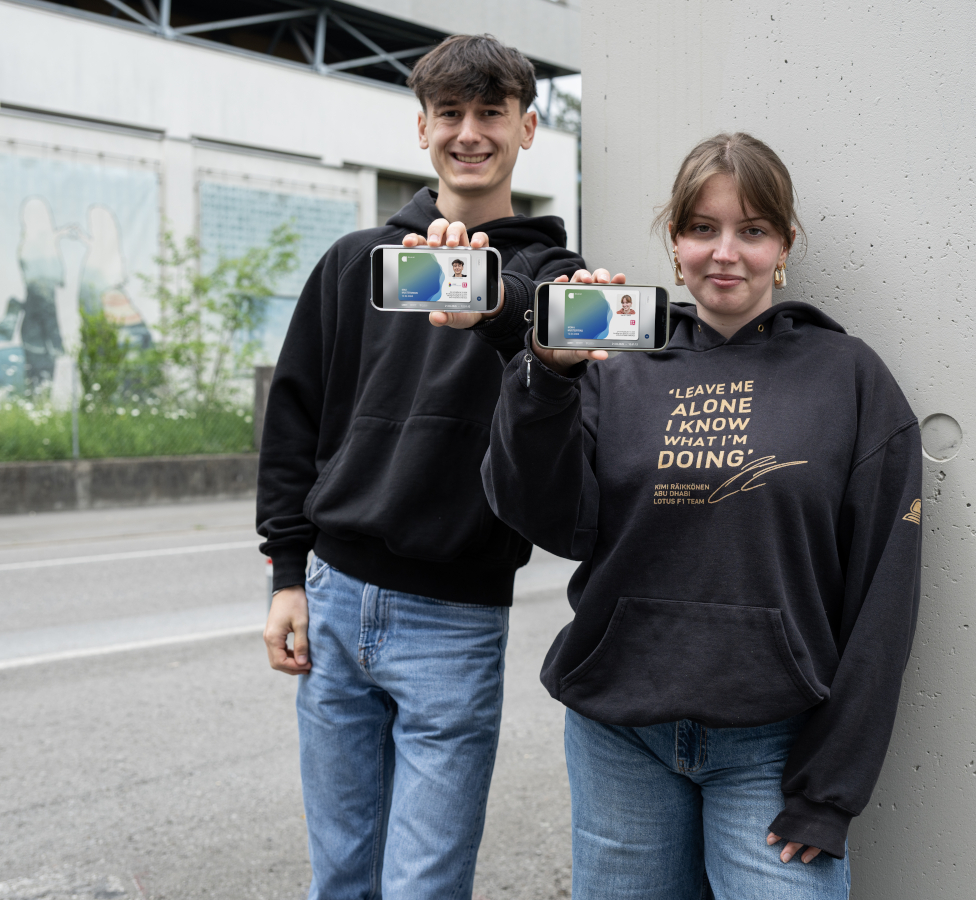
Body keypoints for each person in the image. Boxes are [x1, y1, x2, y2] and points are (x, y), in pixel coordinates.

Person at [482, 132, 923, 899]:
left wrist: (830, 789)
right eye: (702, 228)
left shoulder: (849, 377)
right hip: (619, 733)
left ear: (784, 245)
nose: (725, 253)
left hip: (774, 746)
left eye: (752, 230)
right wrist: (546, 380)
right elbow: (545, 517)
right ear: (675, 241)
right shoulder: (614, 366)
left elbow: (885, 594)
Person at [257, 34, 607, 900]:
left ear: (528, 128)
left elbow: (556, 326)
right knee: (340, 877)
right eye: (450, 112)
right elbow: (294, 422)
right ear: (422, 130)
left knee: (424, 885)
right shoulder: (355, 262)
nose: (470, 131)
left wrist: (493, 298)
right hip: (336, 598)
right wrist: (286, 574)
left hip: (455, 619)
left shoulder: (556, 279)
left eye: (492, 112)